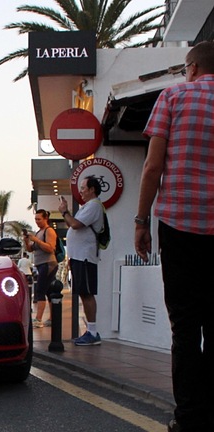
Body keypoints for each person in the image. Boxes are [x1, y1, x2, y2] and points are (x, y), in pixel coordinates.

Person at [135, 41, 214, 432]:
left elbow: (152, 167)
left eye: (186, 69)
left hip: (180, 228)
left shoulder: (174, 96)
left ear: (194, 67)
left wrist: (140, 221)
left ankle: (187, 419)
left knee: (185, 328)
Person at [59, 176, 103, 346]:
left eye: (84, 187)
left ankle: (92, 332)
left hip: (85, 256)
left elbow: (75, 224)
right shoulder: (89, 206)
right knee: (84, 292)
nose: (81, 191)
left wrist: (64, 212)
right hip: (79, 256)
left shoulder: (93, 206)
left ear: (92, 189)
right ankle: (90, 331)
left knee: (87, 292)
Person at [22, 210, 57, 329]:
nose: (37, 222)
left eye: (39, 219)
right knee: (47, 291)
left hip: (48, 264)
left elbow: (50, 248)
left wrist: (36, 240)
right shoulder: (38, 232)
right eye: (36, 219)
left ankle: (38, 318)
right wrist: (27, 241)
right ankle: (52, 318)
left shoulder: (49, 231)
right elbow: (31, 249)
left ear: (46, 218)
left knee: (41, 290)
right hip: (41, 264)